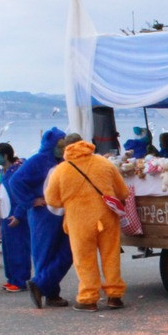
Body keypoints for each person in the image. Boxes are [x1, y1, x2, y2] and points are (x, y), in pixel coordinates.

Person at [45, 133, 131, 311]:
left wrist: (70, 200)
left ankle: (88, 298)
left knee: (84, 259)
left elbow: (52, 200)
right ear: (84, 144)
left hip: (79, 220)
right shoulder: (104, 163)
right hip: (107, 217)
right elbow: (123, 192)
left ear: (65, 148)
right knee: (110, 256)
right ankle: (114, 296)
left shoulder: (61, 170)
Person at [6, 128, 72, 309]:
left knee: (68, 251)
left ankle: (41, 286)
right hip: (43, 215)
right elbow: (15, 181)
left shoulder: (62, 160)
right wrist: (30, 201)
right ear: (51, 144)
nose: (63, 146)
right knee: (44, 254)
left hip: (61, 212)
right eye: (60, 143)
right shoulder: (38, 160)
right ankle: (51, 294)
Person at [0, 142, 29, 293]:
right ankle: (11, 278)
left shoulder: (17, 172)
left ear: (5, 155)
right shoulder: (2, 172)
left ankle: (20, 280)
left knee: (19, 248)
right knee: (8, 248)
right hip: (4, 214)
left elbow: (23, 195)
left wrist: (19, 215)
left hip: (15, 216)